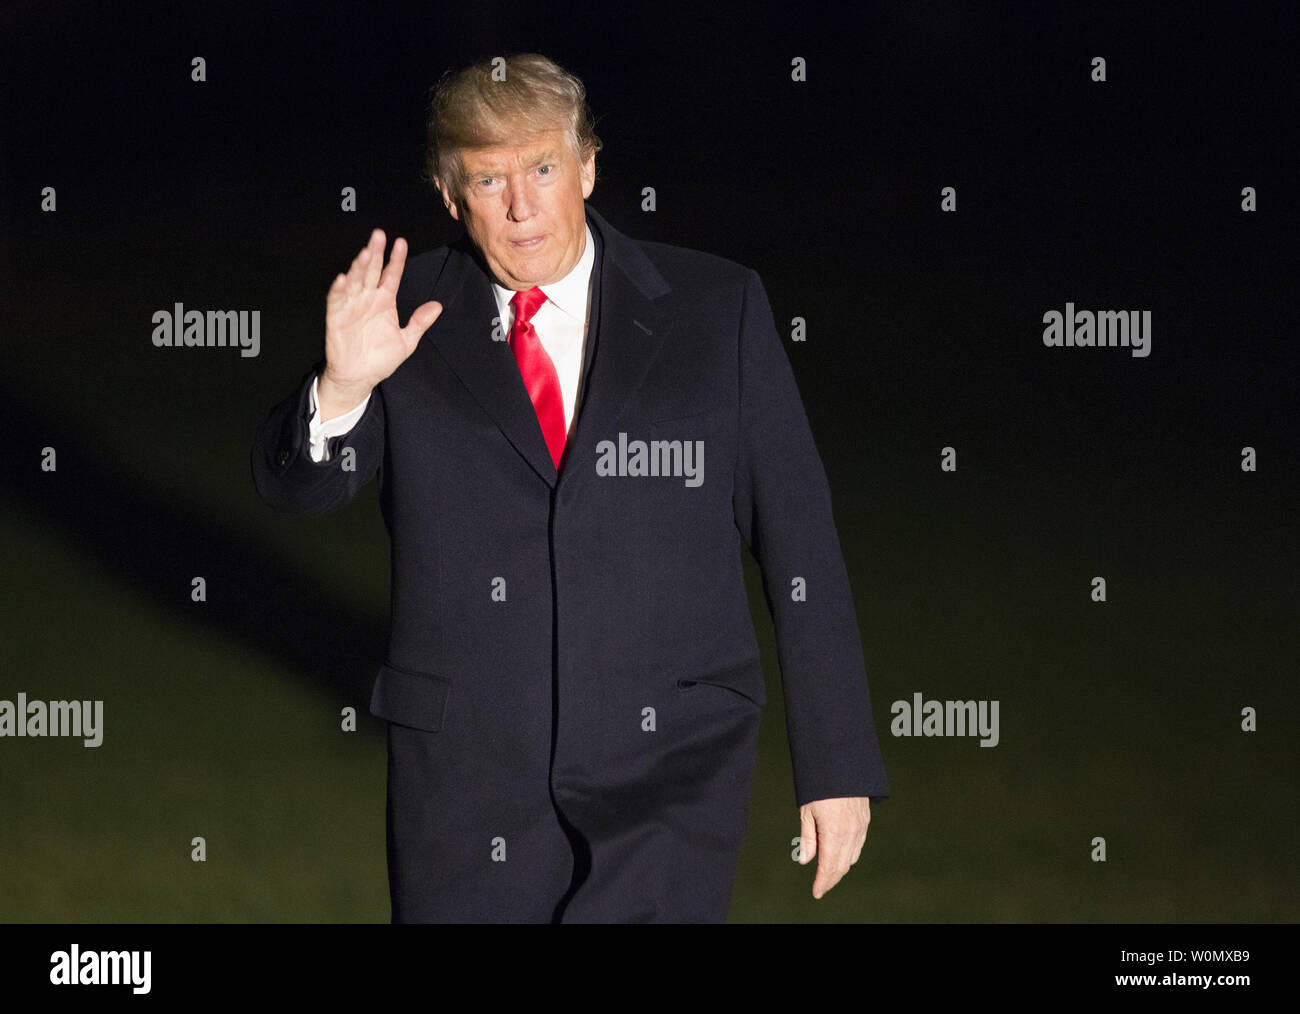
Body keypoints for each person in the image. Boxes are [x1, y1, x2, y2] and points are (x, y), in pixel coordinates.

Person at [251, 52, 889, 923]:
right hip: (467, 791)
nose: (520, 208)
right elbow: (299, 492)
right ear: (448, 195)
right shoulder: (404, 318)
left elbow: (800, 545)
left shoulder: (717, 310)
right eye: (488, 180)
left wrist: (838, 763)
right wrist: (344, 390)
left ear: (588, 165)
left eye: (543, 169)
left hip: (670, 773)